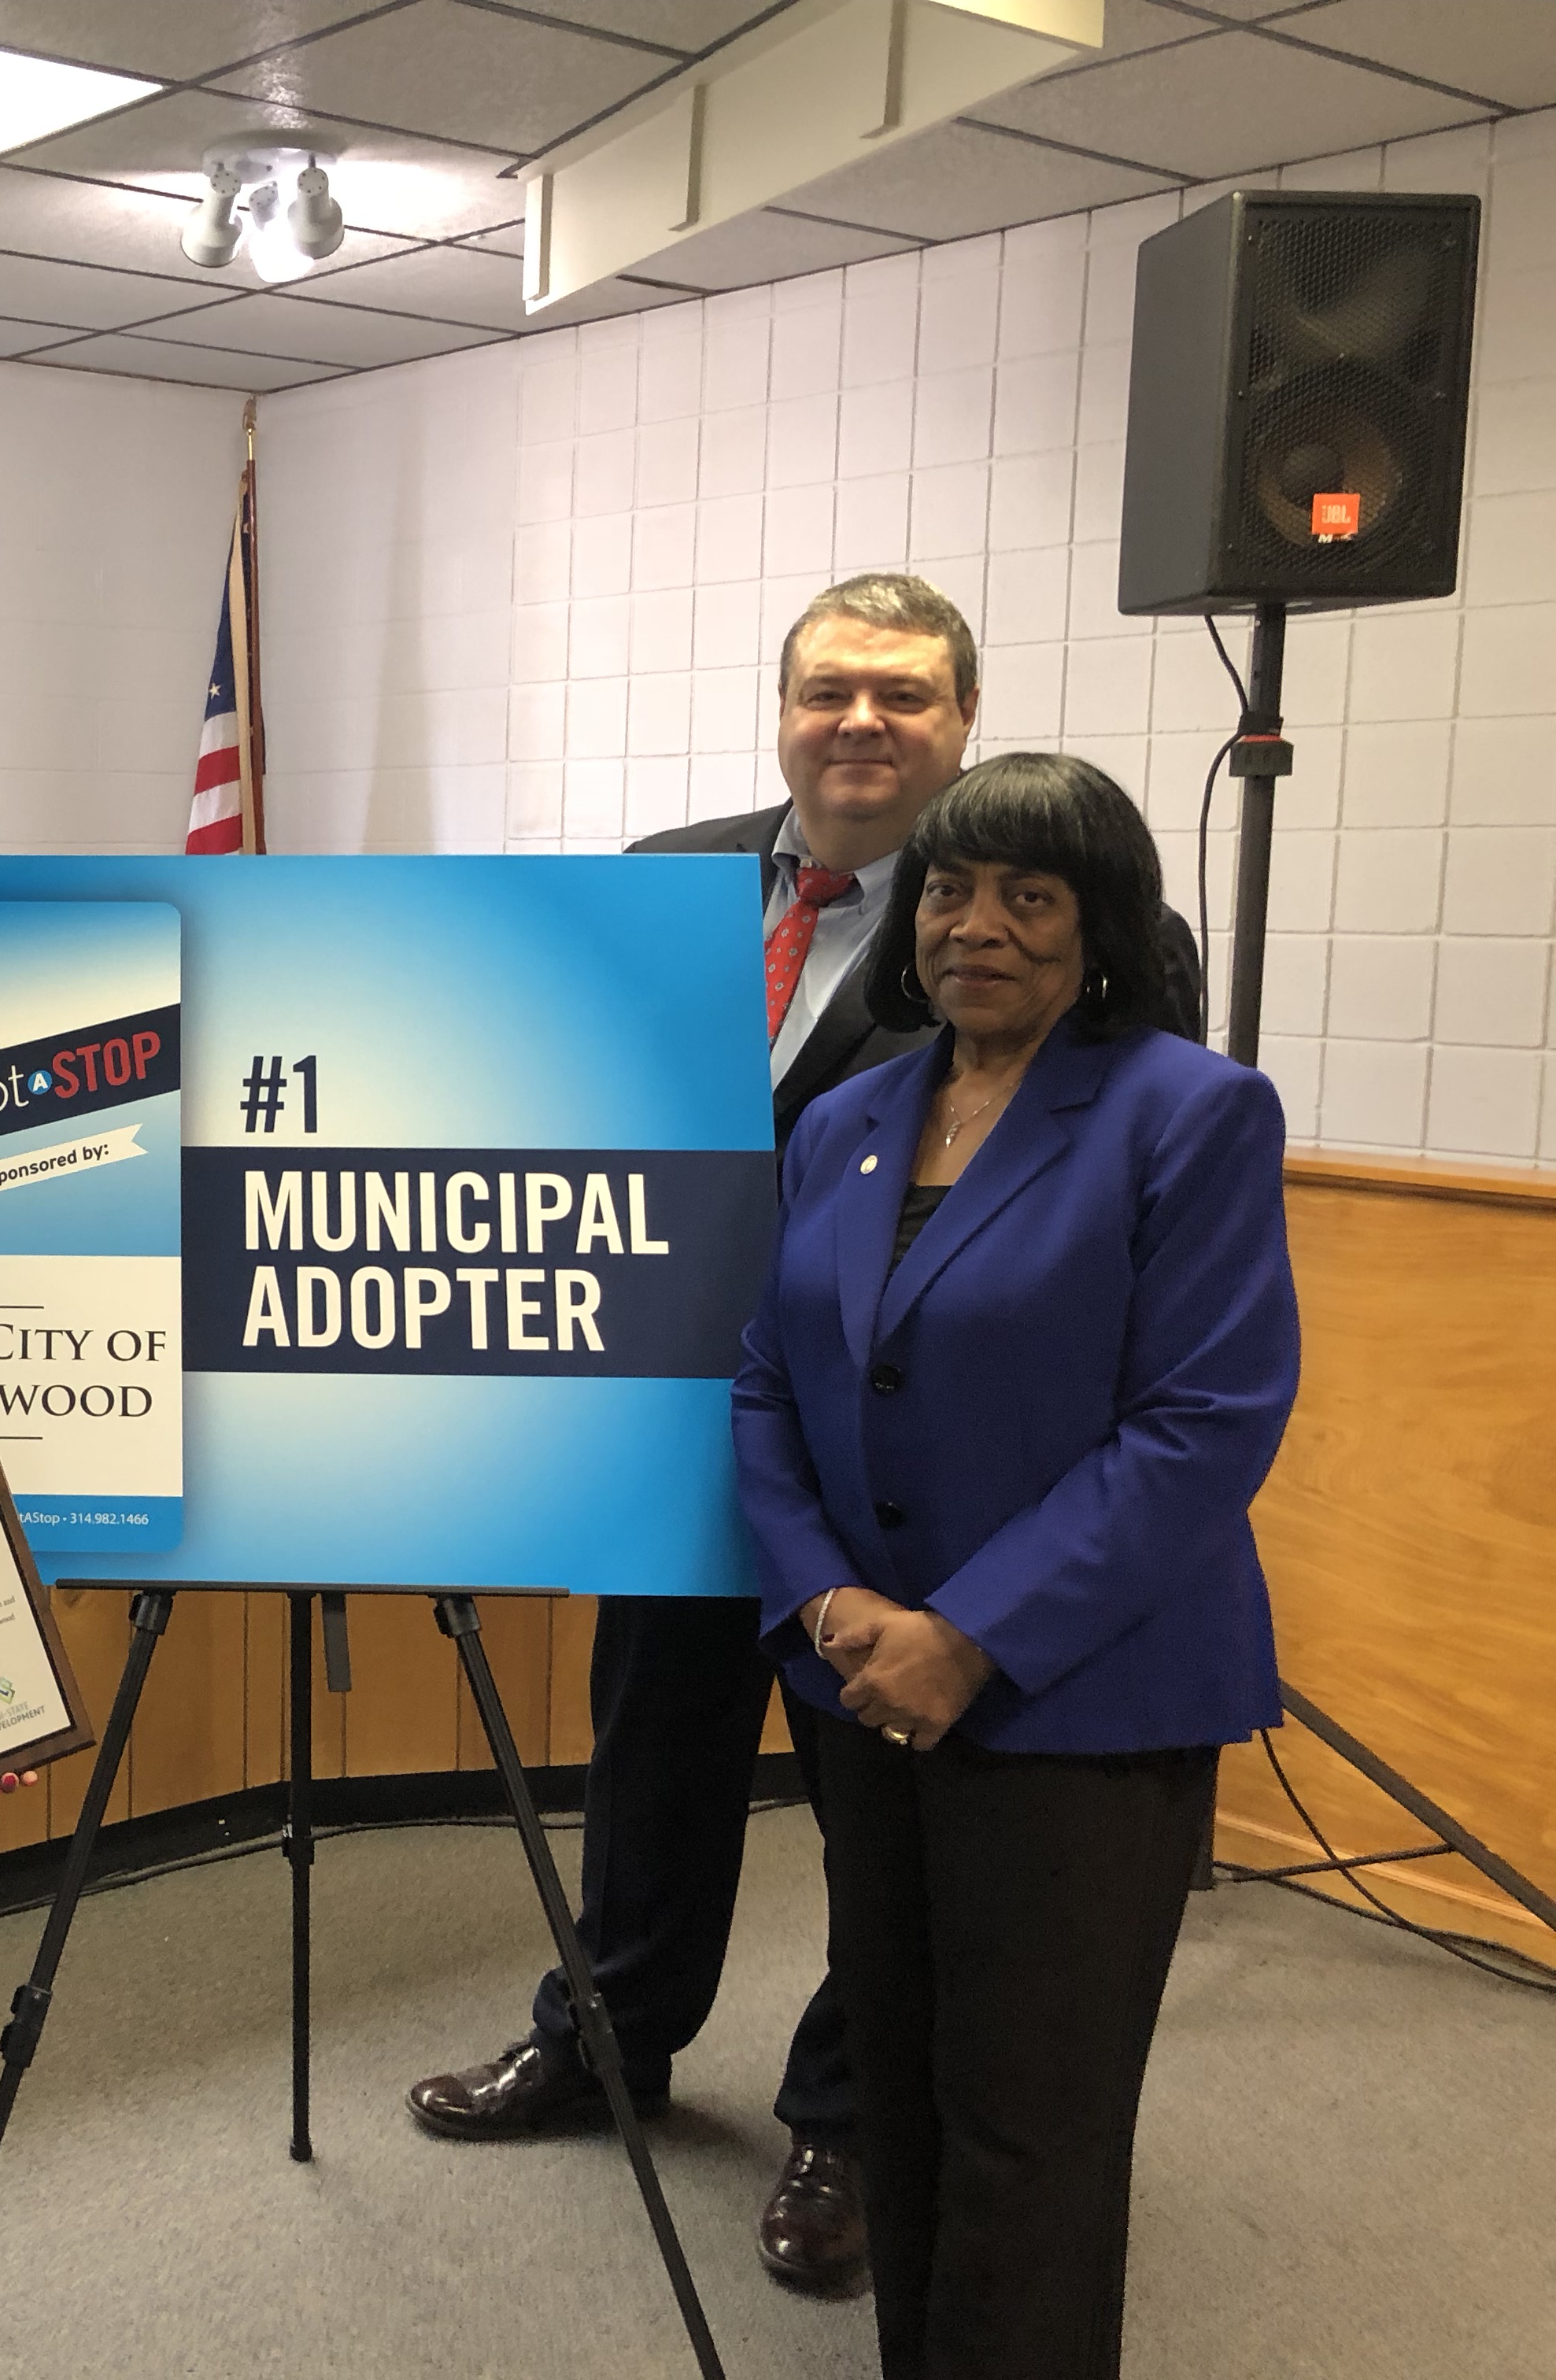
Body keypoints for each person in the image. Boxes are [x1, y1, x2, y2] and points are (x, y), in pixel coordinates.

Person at [406, 572, 984, 2289]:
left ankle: (850, 2121)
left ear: (963, 724)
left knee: (874, 1795)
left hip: (886, 1447)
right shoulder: (666, 880)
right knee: (651, 1748)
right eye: (828, 690)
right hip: (669, 1415)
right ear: (783, 711)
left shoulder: (995, 907)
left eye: (902, 694)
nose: (860, 721)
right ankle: (605, 2038)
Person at [734, 752, 1298, 2378]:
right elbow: (765, 1384)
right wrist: (833, 1605)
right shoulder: (844, 1120)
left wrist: (968, 1637)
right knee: (902, 2092)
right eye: (952, 891)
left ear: (1098, 923)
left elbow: (1203, 1424)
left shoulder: (1189, 1112)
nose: (976, 926)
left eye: (1029, 897)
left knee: (1031, 2125)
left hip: (1079, 1704)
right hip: (863, 1692)